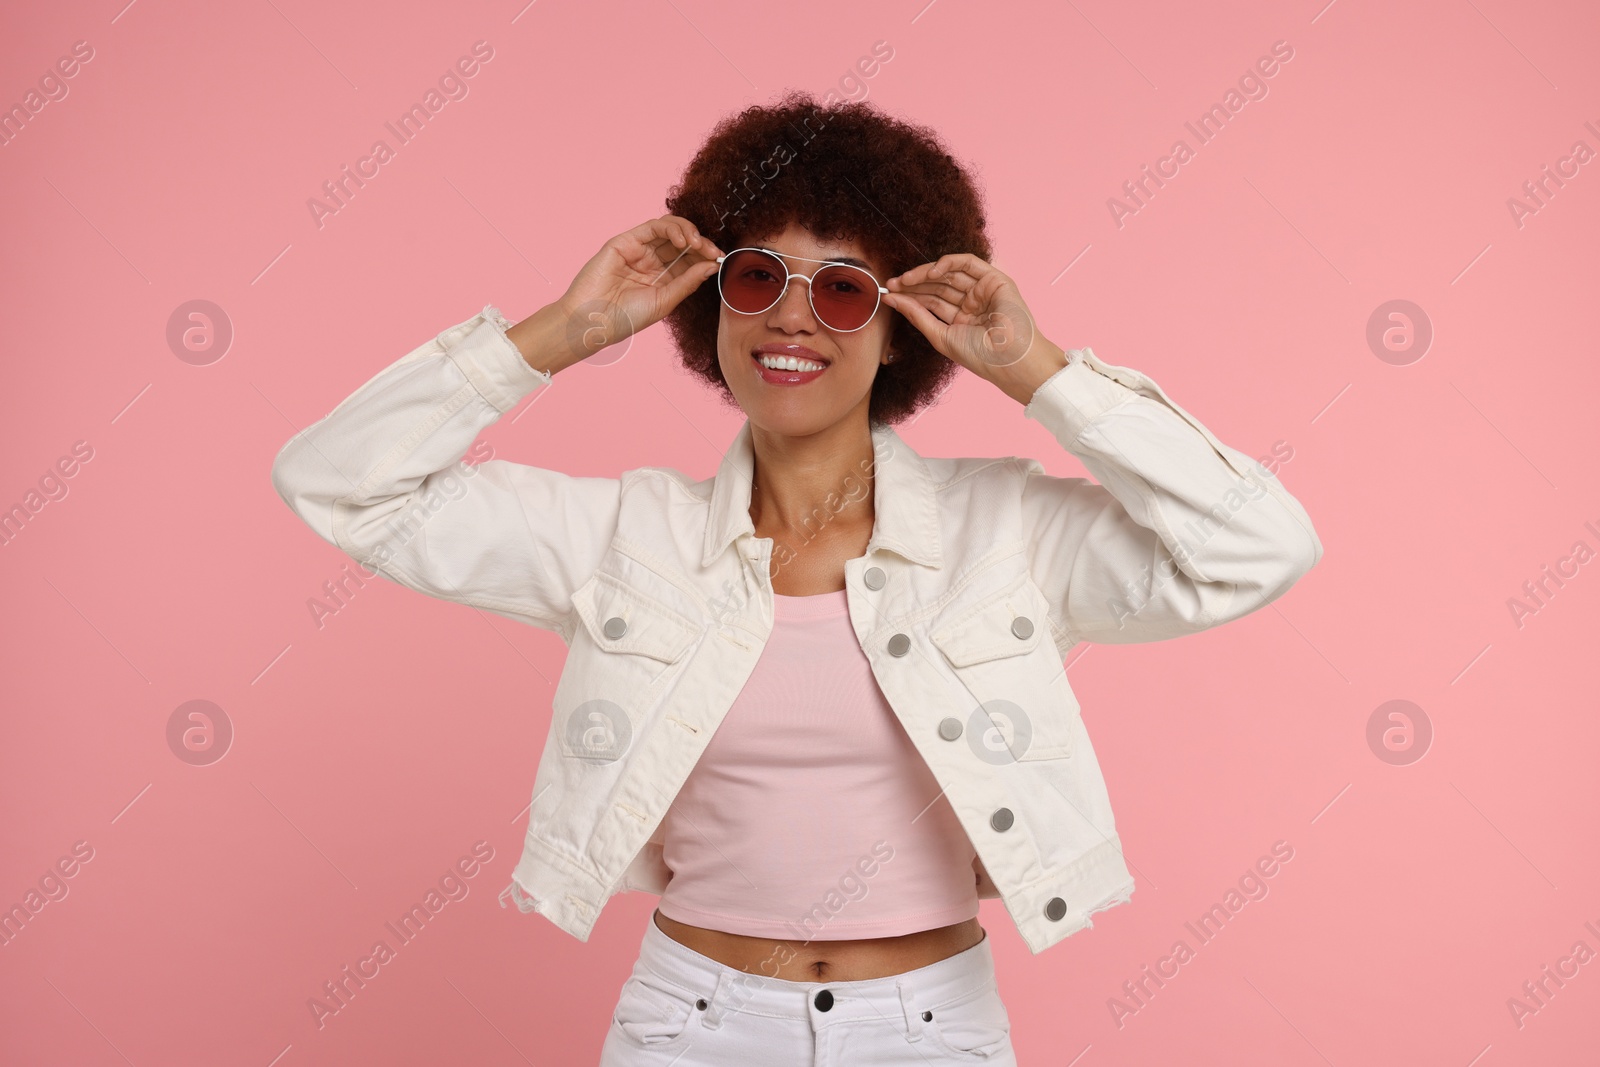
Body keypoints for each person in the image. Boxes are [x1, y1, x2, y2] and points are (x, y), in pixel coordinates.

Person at [270, 92, 1322, 1065]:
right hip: (690, 1024)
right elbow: (337, 484)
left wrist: (1034, 368)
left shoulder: (1005, 530)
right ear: (713, 301)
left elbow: (1257, 545)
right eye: (759, 276)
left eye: (845, 290)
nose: (791, 317)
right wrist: (559, 333)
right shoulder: (619, 538)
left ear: (902, 326)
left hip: (930, 1030)